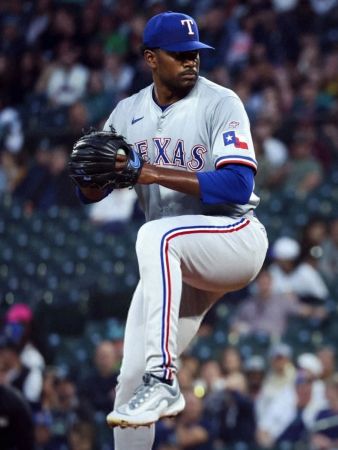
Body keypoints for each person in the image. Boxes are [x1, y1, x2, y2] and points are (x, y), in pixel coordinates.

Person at [74, 11, 268, 450]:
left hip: (233, 238)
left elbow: (239, 183)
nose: (190, 62)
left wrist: (150, 172)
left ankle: (165, 377)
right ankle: (150, 381)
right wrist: (90, 178)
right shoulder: (126, 113)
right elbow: (92, 193)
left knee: (156, 235)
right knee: (128, 381)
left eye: (194, 54)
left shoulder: (222, 102)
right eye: (178, 55)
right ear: (150, 58)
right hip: (175, 263)